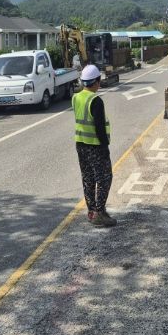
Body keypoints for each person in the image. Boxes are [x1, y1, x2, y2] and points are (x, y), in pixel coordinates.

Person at [72, 64, 116, 227]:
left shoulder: (76, 97)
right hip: (95, 146)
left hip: (81, 145)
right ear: (97, 81)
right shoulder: (95, 100)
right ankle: (99, 213)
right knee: (104, 178)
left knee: (88, 178)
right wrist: (105, 148)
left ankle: (91, 212)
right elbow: (99, 128)